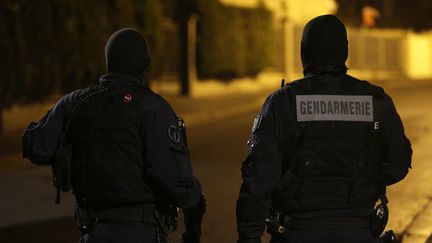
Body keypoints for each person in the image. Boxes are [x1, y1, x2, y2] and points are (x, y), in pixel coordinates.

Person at [236, 15, 412, 243]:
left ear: (304, 52)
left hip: (297, 231)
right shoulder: (376, 100)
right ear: (344, 51)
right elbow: (398, 164)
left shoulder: (283, 102)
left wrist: (249, 237)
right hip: (359, 230)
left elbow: (258, 178)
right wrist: (364, 181)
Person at [22, 28, 205, 243]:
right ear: (145, 63)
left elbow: (36, 147)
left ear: (109, 61)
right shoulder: (152, 107)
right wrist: (195, 203)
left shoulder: (75, 102)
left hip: (92, 232)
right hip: (140, 233)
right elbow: (173, 179)